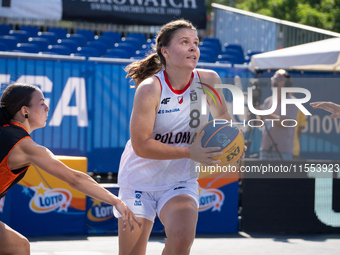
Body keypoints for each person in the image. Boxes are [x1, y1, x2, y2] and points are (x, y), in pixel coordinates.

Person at [113, 19, 235, 255]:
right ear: (165, 52)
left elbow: (223, 116)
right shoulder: (150, 88)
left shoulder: (209, 79)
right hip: (139, 181)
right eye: (185, 42)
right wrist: (192, 151)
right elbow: (141, 145)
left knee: (181, 239)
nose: (193, 48)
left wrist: (229, 138)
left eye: (196, 43)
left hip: (179, 180)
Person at [0, 83, 142, 255]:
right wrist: (117, 201)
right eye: (42, 102)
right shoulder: (24, 146)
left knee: (19, 246)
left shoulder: (7, 133)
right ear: (25, 111)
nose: (48, 107)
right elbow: (75, 179)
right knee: (19, 248)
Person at [258, 69, 299, 160]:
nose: (276, 81)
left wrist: (263, 112)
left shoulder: (292, 101)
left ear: (287, 84)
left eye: (280, 79)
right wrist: (255, 114)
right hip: (265, 149)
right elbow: (260, 124)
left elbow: (285, 122)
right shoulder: (268, 101)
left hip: (282, 151)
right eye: (274, 79)